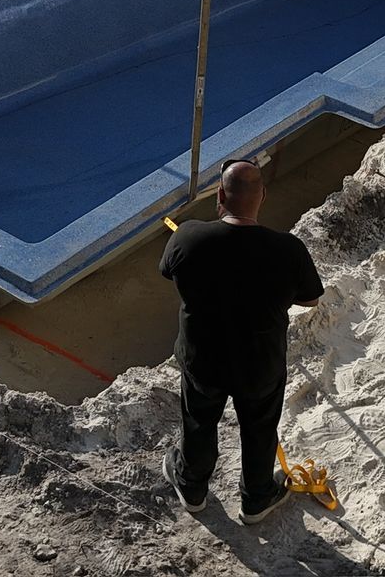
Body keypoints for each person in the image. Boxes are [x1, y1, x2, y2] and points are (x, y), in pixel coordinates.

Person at [160, 159, 324, 525]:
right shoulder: (288, 250)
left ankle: (192, 488)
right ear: (262, 197)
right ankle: (256, 500)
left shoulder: (188, 236)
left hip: (203, 358)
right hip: (260, 360)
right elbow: (311, 298)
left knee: (199, 420)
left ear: (219, 195)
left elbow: (167, 270)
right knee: (260, 427)